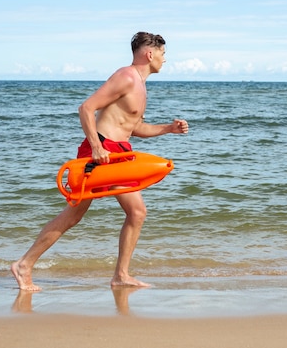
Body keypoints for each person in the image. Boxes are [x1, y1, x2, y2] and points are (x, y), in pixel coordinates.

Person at [11, 32, 189, 291]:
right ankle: (24, 265)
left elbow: (133, 126)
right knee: (79, 214)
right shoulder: (126, 77)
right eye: (163, 54)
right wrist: (95, 146)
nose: (165, 59)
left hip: (118, 152)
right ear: (150, 54)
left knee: (133, 212)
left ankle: (121, 275)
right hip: (102, 150)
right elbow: (86, 108)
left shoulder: (140, 84)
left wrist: (167, 129)